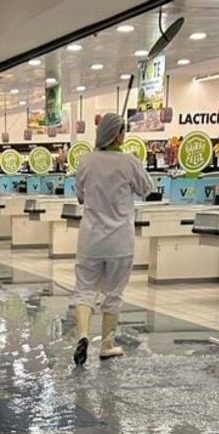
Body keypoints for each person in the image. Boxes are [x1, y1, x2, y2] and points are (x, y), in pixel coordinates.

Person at [72, 112, 152, 365]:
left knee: (84, 290)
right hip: (120, 241)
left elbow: (80, 197)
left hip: (90, 240)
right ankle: (106, 345)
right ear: (118, 135)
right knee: (114, 294)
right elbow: (147, 189)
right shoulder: (130, 162)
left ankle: (83, 335)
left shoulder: (86, 161)